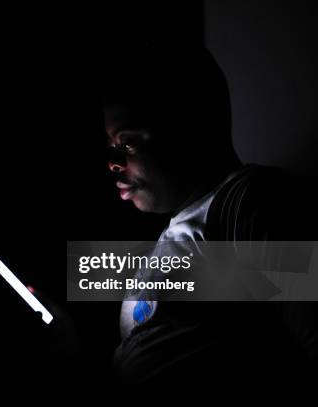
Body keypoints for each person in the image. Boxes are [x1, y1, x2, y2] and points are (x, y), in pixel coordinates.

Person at [99, 43, 318, 395]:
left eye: (126, 143)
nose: (112, 162)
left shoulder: (252, 202)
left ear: (194, 121)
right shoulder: (170, 240)